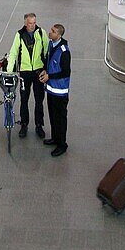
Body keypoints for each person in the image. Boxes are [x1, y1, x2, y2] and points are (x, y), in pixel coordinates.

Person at [6, 12, 49, 139]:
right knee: (24, 99)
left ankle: (39, 125)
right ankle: (24, 124)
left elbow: (47, 51)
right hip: (24, 72)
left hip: (38, 72)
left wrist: (46, 69)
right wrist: (9, 72)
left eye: (34, 23)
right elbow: (13, 53)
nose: (32, 25)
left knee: (39, 100)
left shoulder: (41, 33)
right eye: (30, 23)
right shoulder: (19, 35)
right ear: (25, 23)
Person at [39, 23, 70, 156]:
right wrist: (45, 70)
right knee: (52, 115)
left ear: (59, 35)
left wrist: (49, 76)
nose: (50, 33)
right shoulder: (51, 45)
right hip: (51, 90)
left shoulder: (64, 51)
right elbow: (49, 62)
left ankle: (62, 144)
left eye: (53, 31)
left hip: (60, 92)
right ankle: (55, 138)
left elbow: (65, 72)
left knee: (60, 118)